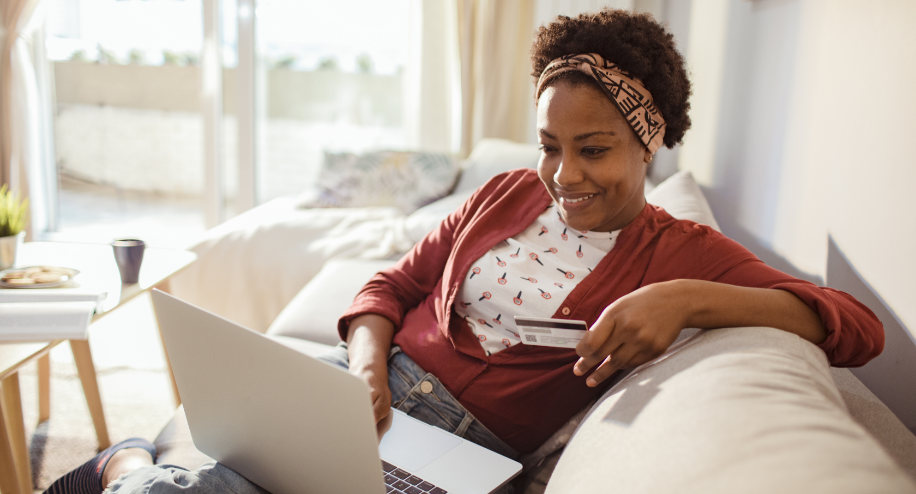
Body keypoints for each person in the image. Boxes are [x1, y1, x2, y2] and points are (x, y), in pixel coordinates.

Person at [44, 9, 882, 494]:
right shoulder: (504, 193)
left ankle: (126, 467)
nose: (562, 175)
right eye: (549, 144)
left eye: (593, 149)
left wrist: (687, 300)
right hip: (359, 395)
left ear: (647, 142)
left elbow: (854, 327)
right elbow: (389, 283)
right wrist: (366, 374)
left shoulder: (681, 250)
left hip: (462, 451)